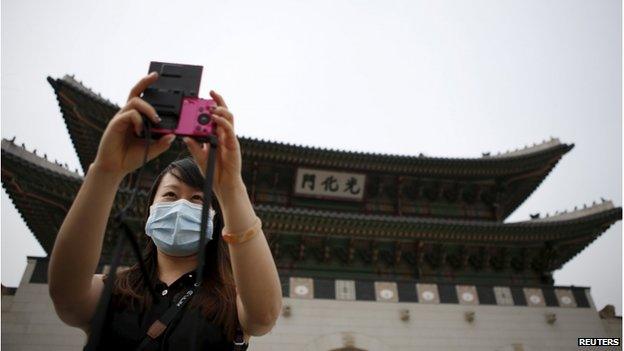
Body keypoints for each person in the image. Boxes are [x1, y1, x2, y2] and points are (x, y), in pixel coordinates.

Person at [47, 72, 283, 350]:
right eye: (170, 195)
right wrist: (106, 171)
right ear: (150, 211)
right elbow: (65, 296)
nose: (182, 204)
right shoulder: (110, 290)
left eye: (198, 199)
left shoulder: (232, 301)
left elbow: (263, 316)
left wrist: (230, 187)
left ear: (214, 220)